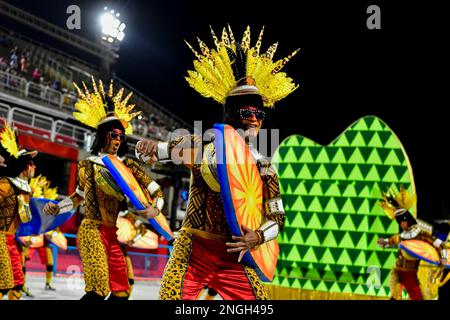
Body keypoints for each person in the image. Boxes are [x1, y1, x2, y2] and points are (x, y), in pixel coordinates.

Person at [135, 25, 299, 300]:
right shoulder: (200, 146)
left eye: (260, 113)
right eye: (248, 111)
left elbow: (278, 218)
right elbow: (156, 152)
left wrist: (257, 237)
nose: (256, 118)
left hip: (236, 258)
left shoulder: (265, 168)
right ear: (233, 113)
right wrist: (147, 147)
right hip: (193, 252)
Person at [44, 78, 165, 300]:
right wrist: (57, 208)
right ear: (102, 135)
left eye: (121, 136)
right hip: (91, 231)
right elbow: (78, 197)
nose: (118, 139)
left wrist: (156, 209)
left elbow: (156, 189)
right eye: (114, 134)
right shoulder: (87, 164)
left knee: (121, 292)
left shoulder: (128, 166)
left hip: (112, 233)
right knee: (98, 290)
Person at [377, 188, 448, 300]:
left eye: (403, 221)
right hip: (397, 271)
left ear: (408, 220)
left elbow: (440, 244)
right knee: (395, 296)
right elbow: (392, 240)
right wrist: (384, 242)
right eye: (400, 223)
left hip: (411, 274)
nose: (402, 225)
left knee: (417, 298)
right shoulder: (401, 237)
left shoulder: (422, 235)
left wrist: (443, 257)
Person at [0, 119, 38, 300]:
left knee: (17, 284)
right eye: (31, 163)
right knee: (3, 284)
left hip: (11, 241)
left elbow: (24, 218)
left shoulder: (24, 189)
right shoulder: (6, 184)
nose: (34, 167)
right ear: (23, 166)